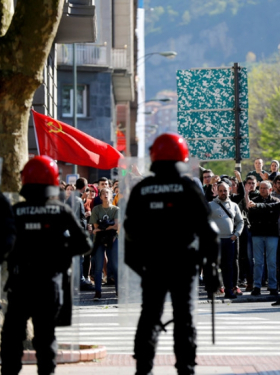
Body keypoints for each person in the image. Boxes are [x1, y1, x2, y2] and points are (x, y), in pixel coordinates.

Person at [124, 133, 221, 375]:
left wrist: (141, 266)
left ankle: (143, 369)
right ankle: (185, 369)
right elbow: (210, 232)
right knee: (184, 318)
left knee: (149, 316)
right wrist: (212, 268)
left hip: (153, 264)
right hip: (183, 263)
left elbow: (130, 232)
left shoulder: (142, 189)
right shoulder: (188, 186)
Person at [0, 156, 92, 375]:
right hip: (49, 284)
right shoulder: (61, 211)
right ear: (53, 180)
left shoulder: (16, 210)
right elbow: (85, 244)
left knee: (12, 337)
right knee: (46, 337)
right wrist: (61, 249)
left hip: (20, 283)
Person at [209, 181, 244, 299]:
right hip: (215, 241)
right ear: (217, 192)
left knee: (228, 266)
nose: (223, 193)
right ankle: (212, 290)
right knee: (213, 266)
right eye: (221, 191)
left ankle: (229, 290)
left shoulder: (234, 205)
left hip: (230, 240)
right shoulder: (210, 205)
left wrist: (236, 234)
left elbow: (240, 221)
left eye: (225, 191)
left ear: (229, 190)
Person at [247, 180, 280, 297]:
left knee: (271, 261)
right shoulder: (254, 201)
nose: (262, 190)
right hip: (257, 233)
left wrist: (262, 211)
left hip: (272, 234)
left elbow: (275, 216)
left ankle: (272, 286)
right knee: (258, 262)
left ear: (270, 189)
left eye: (265, 188)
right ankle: (257, 286)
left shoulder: (276, 201)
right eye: (261, 188)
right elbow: (251, 217)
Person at [89, 187, 120, 300]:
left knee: (115, 266)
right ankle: (98, 292)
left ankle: (118, 291)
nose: (105, 195)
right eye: (103, 193)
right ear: (100, 196)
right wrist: (109, 225)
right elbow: (95, 227)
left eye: (107, 193)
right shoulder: (96, 209)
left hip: (113, 238)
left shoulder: (116, 209)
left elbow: (116, 226)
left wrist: (103, 225)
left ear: (111, 195)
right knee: (98, 266)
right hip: (99, 240)